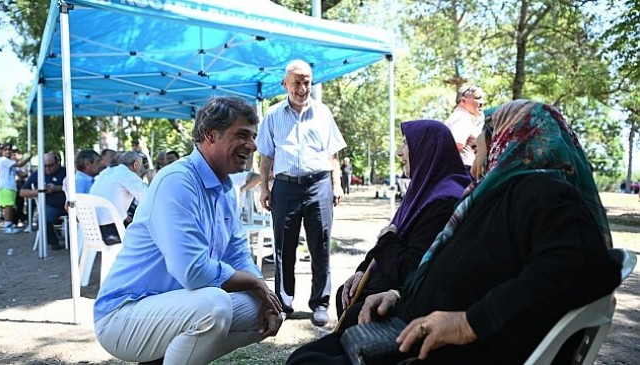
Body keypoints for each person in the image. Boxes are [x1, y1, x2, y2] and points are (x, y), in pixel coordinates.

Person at [286, 99, 622, 365]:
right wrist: (403, 295)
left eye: (479, 148)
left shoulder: (543, 193)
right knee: (308, 357)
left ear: (510, 142)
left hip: (449, 350)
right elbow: (487, 273)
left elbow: (584, 265)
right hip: (411, 330)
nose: (473, 160)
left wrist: (468, 323)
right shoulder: (506, 196)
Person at [94, 96, 282, 365]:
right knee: (213, 306)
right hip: (123, 314)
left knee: (264, 308)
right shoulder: (177, 181)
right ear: (210, 135)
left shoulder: (226, 189)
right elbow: (193, 272)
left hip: (175, 307)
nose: (252, 145)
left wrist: (262, 291)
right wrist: (255, 283)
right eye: (242, 135)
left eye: (253, 136)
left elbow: (238, 255)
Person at [336, 120, 471, 320]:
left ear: (427, 149)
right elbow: (393, 234)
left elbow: (411, 267)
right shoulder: (424, 190)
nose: (399, 152)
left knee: (356, 311)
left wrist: (386, 239)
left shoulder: (444, 201)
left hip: (408, 297)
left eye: (406, 144)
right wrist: (361, 271)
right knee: (345, 293)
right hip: (391, 279)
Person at [256, 59, 346, 327]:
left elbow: (333, 154)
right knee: (284, 246)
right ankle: (284, 302)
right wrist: (264, 187)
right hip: (284, 186)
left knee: (320, 244)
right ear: (285, 84)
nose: (302, 87)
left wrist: (337, 183)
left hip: (318, 184)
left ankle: (320, 303)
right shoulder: (272, 115)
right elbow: (266, 156)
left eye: (306, 81)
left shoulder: (323, 113)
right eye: (296, 82)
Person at [89, 151, 148, 242]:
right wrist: (151, 179)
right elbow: (148, 198)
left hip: (92, 228)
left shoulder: (106, 172)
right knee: (147, 236)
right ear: (135, 165)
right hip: (110, 230)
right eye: (141, 167)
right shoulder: (127, 174)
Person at [20, 153, 67, 249]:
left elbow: (76, 187)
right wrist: (40, 191)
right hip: (51, 207)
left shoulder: (66, 172)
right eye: (45, 166)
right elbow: (22, 192)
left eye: (50, 165)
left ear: (58, 162)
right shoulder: (38, 174)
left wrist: (57, 188)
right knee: (42, 218)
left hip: (68, 205)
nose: (47, 168)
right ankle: (53, 242)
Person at [444, 84, 485, 172]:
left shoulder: (458, 117)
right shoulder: (462, 117)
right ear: (463, 100)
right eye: (477, 98)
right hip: (464, 170)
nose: (482, 102)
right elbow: (457, 143)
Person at [0, 144, 32, 234]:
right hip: (5, 186)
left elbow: (21, 174)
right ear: (2, 152)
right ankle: (7, 226)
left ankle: (10, 224)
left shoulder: (10, 162)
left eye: (9, 150)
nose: (8, 151)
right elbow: (20, 164)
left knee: (10, 206)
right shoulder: (4, 160)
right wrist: (29, 157)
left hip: (10, 187)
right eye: (5, 150)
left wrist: (29, 172)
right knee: (8, 206)